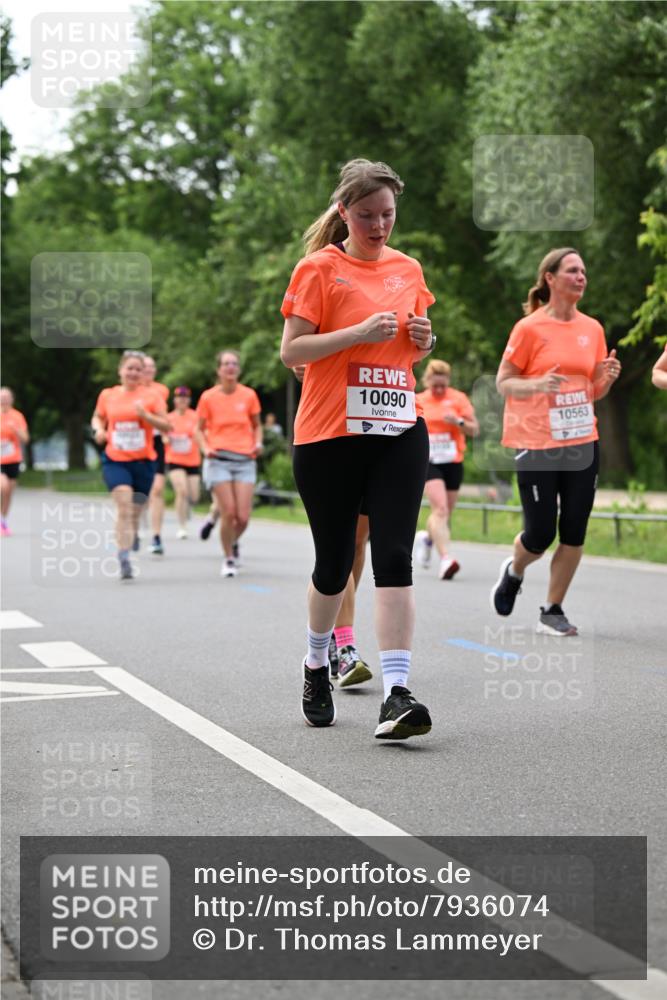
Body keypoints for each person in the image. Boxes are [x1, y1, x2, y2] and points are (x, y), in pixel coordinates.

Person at [280, 158, 435, 739]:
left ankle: (397, 694)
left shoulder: (408, 268)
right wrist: (357, 334)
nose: (379, 225)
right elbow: (293, 352)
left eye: (388, 214)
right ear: (343, 211)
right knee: (335, 562)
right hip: (329, 434)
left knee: (395, 555)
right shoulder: (319, 268)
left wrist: (422, 338)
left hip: (399, 426)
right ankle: (317, 662)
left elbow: (410, 345)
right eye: (367, 215)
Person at [490, 247, 621, 634]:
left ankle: (553, 609)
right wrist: (536, 384)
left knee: (575, 528)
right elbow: (503, 382)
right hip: (536, 441)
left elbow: (591, 392)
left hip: (582, 439)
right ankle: (514, 571)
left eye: (584, 271)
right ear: (550, 278)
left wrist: (606, 379)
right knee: (541, 533)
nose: (581, 277)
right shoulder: (529, 328)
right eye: (572, 270)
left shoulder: (592, 329)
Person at [91, 351, 169, 580]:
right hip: (115, 459)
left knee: (135, 510)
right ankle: (123, 555)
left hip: (144, 461)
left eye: (138, 369)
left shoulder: (152, 396)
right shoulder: (108, 395)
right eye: (130, 368)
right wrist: (99, 429)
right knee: (124, 505)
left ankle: (132, 533)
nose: (134, 373)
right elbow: (97, 416)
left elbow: (167, 426)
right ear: (120, 370)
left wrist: (146, 416)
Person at [196, 350, 262, 577]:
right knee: (229, 513)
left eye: (234, 364)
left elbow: (257, 426)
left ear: (239, 369)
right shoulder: (208, 397)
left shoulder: (249, 395)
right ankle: (228, 558)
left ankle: (232, 541)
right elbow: (198, 430)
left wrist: (259, 442)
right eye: (226, 364)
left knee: (243, 517)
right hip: (218, 459)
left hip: (244, 460)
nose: (230, 367)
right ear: (219, 370)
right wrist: (206, 448)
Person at [414, 359, 478, 580]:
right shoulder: (419, 399)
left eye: (443, 385)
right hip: (429, 461)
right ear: (428, 381)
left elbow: (474, 430)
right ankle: (446, 559)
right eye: (435, 385)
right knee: (440, 509)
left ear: (448, 381)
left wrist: (458, 422)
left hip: (453, 460)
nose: (439, 389)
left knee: (445, 513)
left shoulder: (458, 399)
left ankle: (428, 539)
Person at [142, 355, 170, 555]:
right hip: (136, 445)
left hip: (156, 442)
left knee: (157, 490)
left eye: (153, 367)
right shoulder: (130, 390)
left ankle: (157, 536)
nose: (150, 370)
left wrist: (166, 433)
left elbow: (164, 416)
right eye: (146, 367)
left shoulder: (161, 390)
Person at [165, 387, 201, 539]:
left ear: (189, 401)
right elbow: (163, 434)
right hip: (174, 459)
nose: (182, 401)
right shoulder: (168, 418)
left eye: (185, 398)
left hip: (192, 460)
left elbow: (202, 433)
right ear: (175, 400)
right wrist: (165, 439)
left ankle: (187, 508)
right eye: (179, 398)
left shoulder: (196, 417)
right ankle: (182, 526)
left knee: (194, 496)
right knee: (182, 491)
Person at [0, 387, 29, 537]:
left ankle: (3, 519)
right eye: (1, 397)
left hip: (13, 459)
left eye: (6, 397)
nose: (4, 400)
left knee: (8, 492)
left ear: (12, 399)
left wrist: (16, 430)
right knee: (3, 486)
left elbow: (26, 439)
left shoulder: (18, 416)